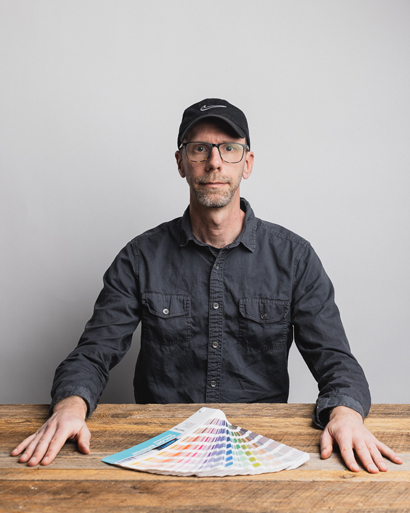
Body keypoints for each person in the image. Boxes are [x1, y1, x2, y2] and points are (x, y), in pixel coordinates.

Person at [12, 98, 402, 473]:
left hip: (259, 449)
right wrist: (70, 406)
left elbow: (336, 361)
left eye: (229, 149)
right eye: (199, 149)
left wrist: (346, 415)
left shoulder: (294, 258)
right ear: (181, 162)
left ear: (247, 163)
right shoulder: (140, 257)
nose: (215, 162)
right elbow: (93, 352)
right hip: (161, 447)